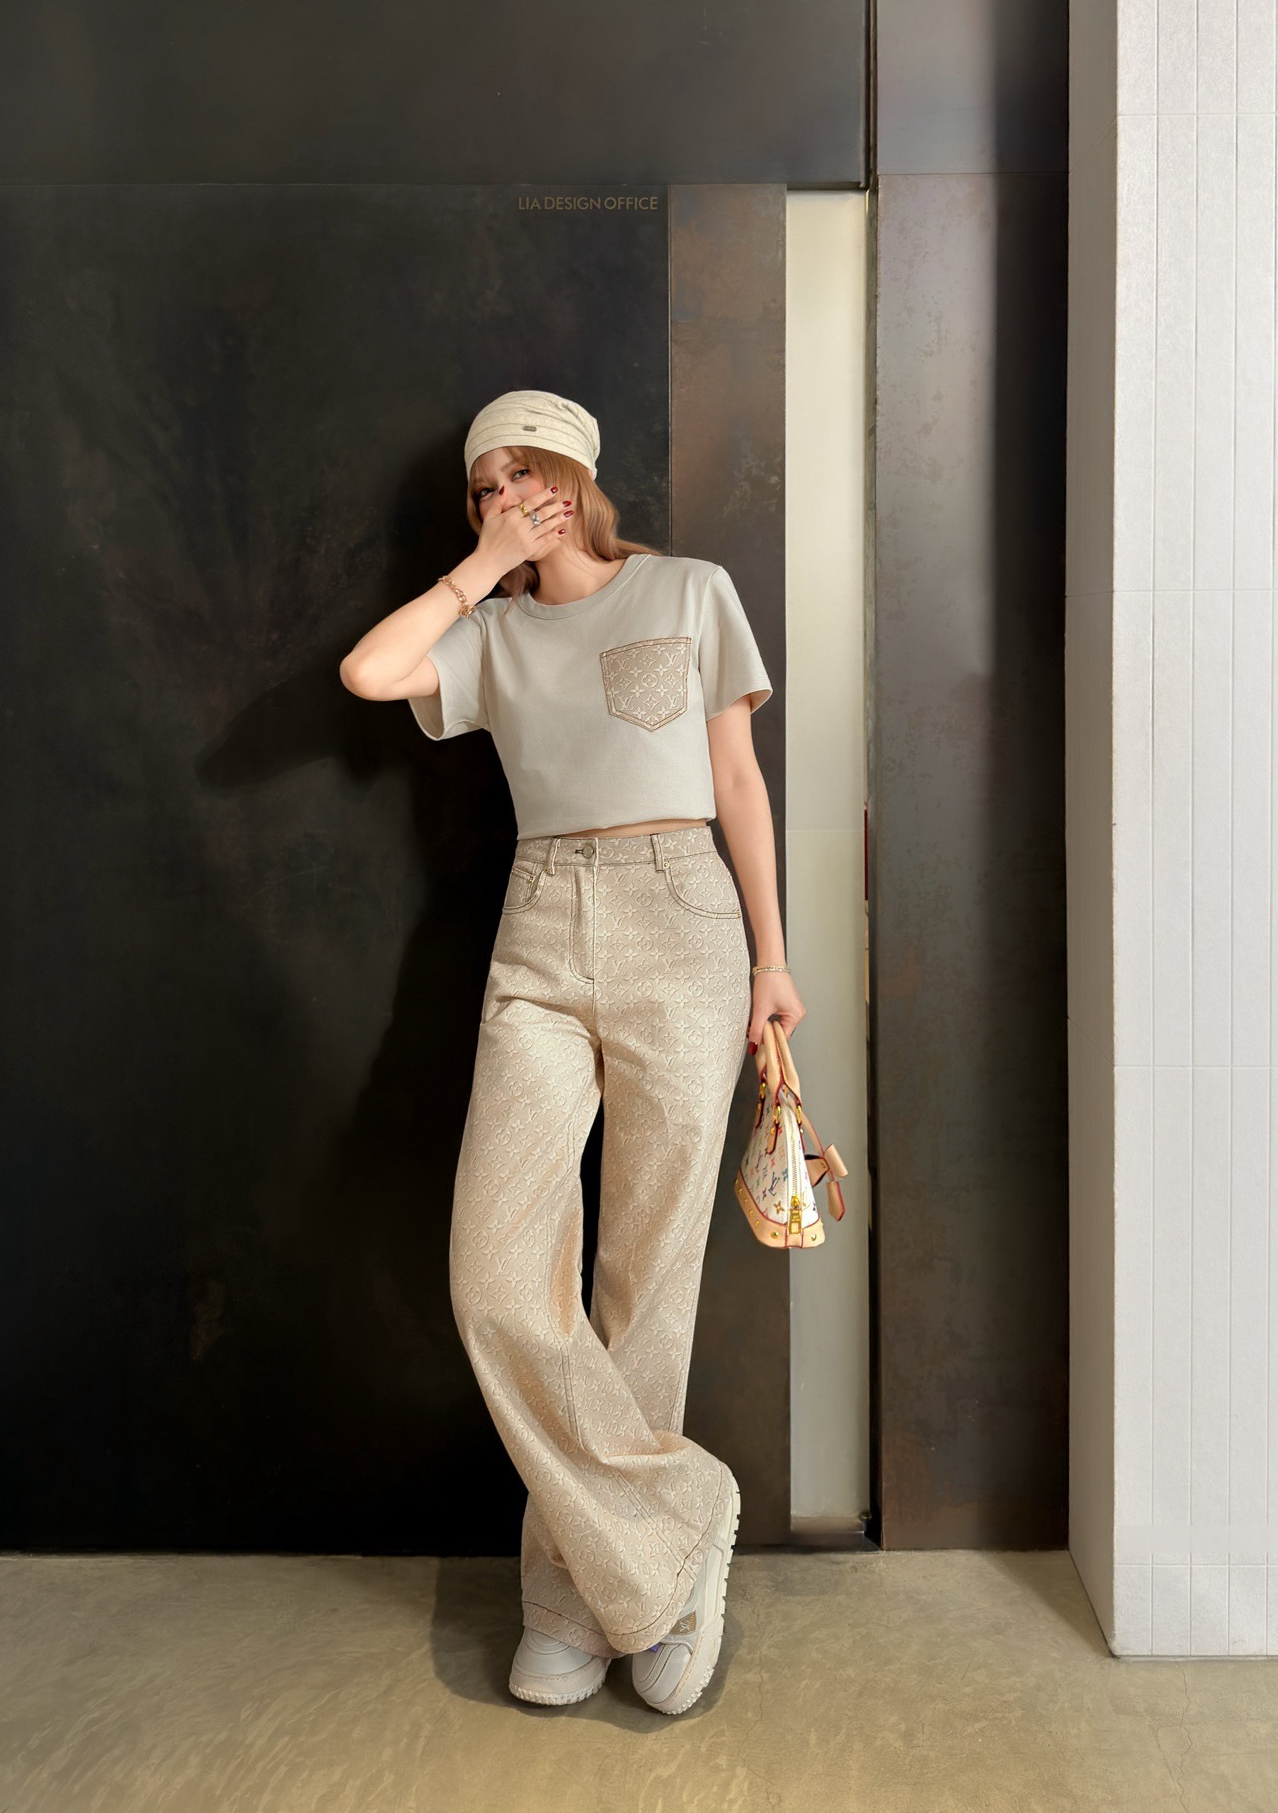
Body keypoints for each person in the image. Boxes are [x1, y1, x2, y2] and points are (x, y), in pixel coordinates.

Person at [339, 388, 804, 1716]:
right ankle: (673, 1527)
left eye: (526, 476)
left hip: (684, 917)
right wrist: (477, 569)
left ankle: (587, 1603)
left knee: (645, 1276)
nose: (508, 501)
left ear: (579, 480)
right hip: (541, 926)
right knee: (495, 1274)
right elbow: (369, 674)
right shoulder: (489, 633)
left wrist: (773, 960)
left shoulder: (689, 591)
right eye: (485, 487)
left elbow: (737, 783)